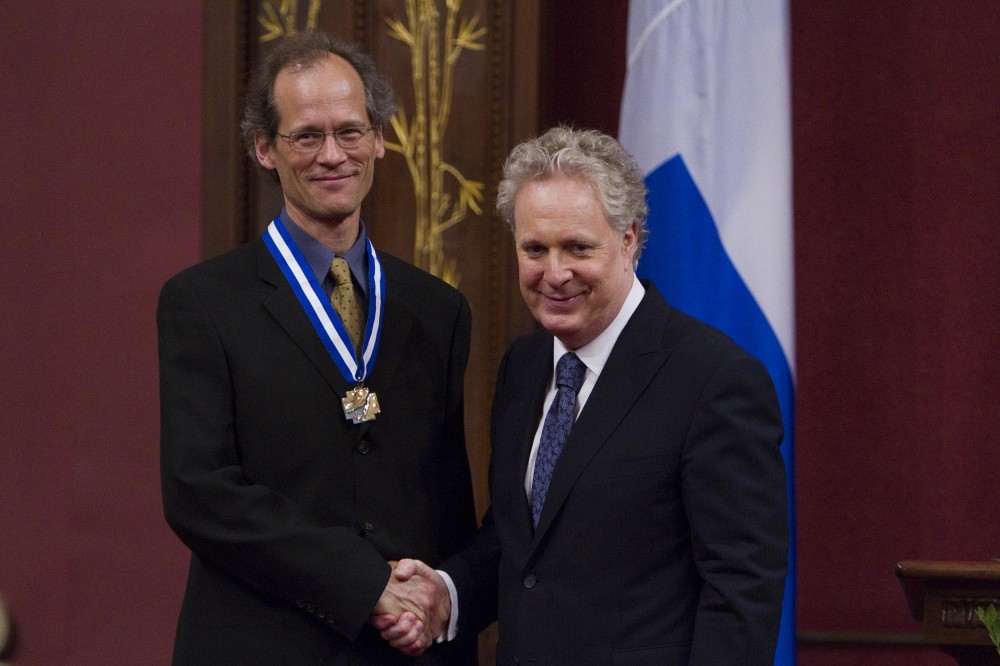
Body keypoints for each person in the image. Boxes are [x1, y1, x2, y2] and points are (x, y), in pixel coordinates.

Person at [380, 126, 789, 664]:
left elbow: (742, 591)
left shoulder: (713, 380)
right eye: (535, 249)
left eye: (577, 247)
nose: (555, 273)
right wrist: (444, 594)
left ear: (629, 240)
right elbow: (518, 544)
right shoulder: (524, 368)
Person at [157, 31, 477, 664]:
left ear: (380, 139)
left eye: (350, 131)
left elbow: (448, 506)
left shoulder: (438, 311)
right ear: (264, 150)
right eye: (307, 136)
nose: (333, 155)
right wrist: (365, 585)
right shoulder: (204, 303)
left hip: (401, 651)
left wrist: (438, 604)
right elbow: (201, 493)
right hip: (262, 645)